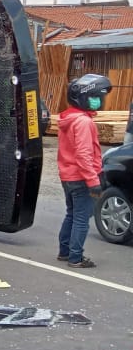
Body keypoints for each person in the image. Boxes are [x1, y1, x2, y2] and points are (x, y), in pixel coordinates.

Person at [57, 73, 112, 268]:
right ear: (83, 98)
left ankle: (65, 252)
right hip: (81, 177)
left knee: (71, 214)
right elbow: (83, 155)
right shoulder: (84, 122)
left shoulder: (69, 118)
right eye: (95, 97)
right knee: (81, 218)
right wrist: (93, 181)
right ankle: (75, 258)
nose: (99, 101)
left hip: (68, 175)